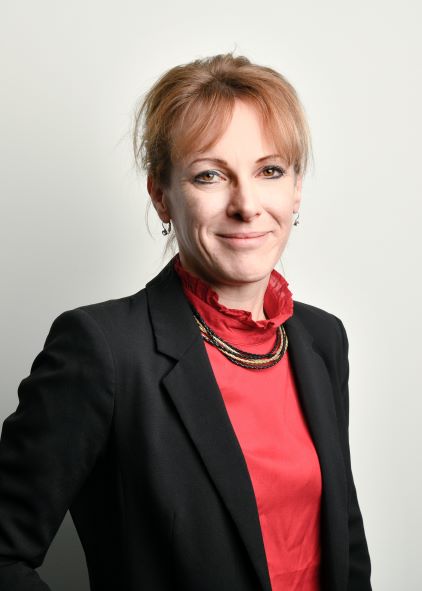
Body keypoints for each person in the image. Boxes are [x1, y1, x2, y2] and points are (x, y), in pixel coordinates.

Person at [0, 53, 372, 591]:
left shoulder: (322, 339)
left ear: (296, 188)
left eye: (270, 170)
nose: (247, 205)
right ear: (162, 196)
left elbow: (345, 539)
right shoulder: (104, 350)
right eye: (209, 175)